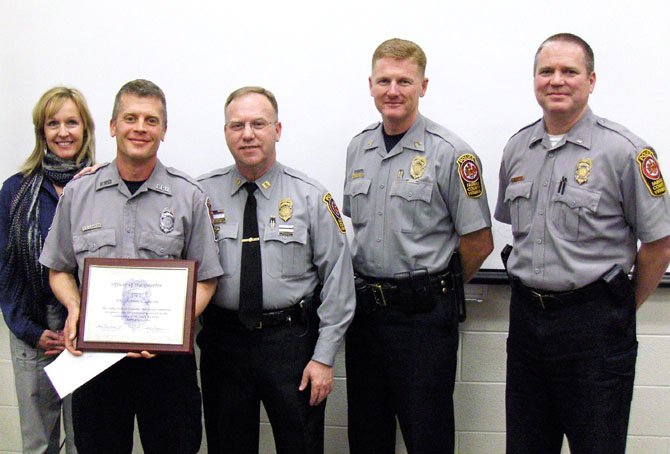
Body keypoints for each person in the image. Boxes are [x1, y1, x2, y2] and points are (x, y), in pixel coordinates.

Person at [495, 33, 670, 453]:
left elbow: (660, 245)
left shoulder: (625, 151)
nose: (557, 80)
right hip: (526, 324)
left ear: (591, 80)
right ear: (534, 80)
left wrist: (617, 307)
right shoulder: (519, 147)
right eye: (546, 71)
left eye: (569, 71)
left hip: (594, 328)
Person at [39, 79, 223, 454]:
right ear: (112, 126)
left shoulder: (188, 195)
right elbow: (58, 269)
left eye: (151, 120)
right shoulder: (79, 193)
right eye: (130, 118)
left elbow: (207, 280)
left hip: (167, 366)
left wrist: (174, 324)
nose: (140, 127)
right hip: (96, 363)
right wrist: (75, 308)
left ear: (164, 131)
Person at [342, 38, 494, 454]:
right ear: (370, 85)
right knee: (367, 434)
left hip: (422, 319)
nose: (393, 90)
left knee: (427, 435)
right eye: (384, 80)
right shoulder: (359, 148)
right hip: (366, 314)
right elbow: (357, 223)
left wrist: (432, 288)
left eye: (404, 81)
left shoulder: (452, 154)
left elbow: (479, 243)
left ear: (423, 86)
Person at [197, 86, 355, 454]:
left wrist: (323, 357)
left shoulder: (310, 197)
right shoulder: (200, 194)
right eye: (237, 125)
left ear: (277, 130)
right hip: (224, 343)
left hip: (291, 346)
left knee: (300, 445)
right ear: (225, 133)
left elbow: (338, 282)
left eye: (258, 123)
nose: (247, 134)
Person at [0, 86, 95, 454]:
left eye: (71, 122)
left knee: (84, 440)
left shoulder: (99, 186)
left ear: (85, 129)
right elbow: (5, 273)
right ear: (42, 133)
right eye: (52, 123)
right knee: (39, 443)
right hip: (33, 328)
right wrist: (33, 331)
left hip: (86, 332)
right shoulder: (15, 191)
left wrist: (88, 325)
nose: (63, 132)